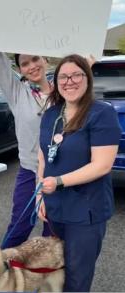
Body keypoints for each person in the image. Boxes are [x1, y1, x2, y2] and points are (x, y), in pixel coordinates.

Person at [0, 0, 53, 249]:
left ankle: (44, 282)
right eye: (24, 63)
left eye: (35, 58)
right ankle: (1, 278)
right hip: (28, 170)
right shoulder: (18, 93)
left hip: (59, 174)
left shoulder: (64, 92)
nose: (32, 65)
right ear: (20, 70)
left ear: (45, 59)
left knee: (53, 231)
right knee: (19, 227)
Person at [37, 54, 121, 292]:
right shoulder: (51, 114)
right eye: (63, 76)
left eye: (76, 75)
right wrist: (40, 194)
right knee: (56, 273)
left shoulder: (101, 113)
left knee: (76, 279)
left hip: (86, 212)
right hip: (56, 208)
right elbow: (43, 157)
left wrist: (60, 181)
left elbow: (102, 165)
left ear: (88, 78)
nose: (69, 81)